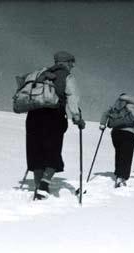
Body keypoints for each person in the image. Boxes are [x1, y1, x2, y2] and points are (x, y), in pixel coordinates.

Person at [26, 51, 85, 200]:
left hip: (33, 116)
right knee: (53, 151)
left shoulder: (39, 73)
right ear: (65, 62)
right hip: (53, 116)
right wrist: (77, 118)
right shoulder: (67, 76)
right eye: (71, 62)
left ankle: (38, 188)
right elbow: (72, 98)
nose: (72, 65)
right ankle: (44, 185)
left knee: (36, 151)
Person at [100, 93, 134, 188]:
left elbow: (105, 113)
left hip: (115, 133)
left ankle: (118, 173)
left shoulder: (114, 106)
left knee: (119, 153)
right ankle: (122, 177)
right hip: (129, 132)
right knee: (127, 155)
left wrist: (102, 124)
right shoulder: (133, 106)